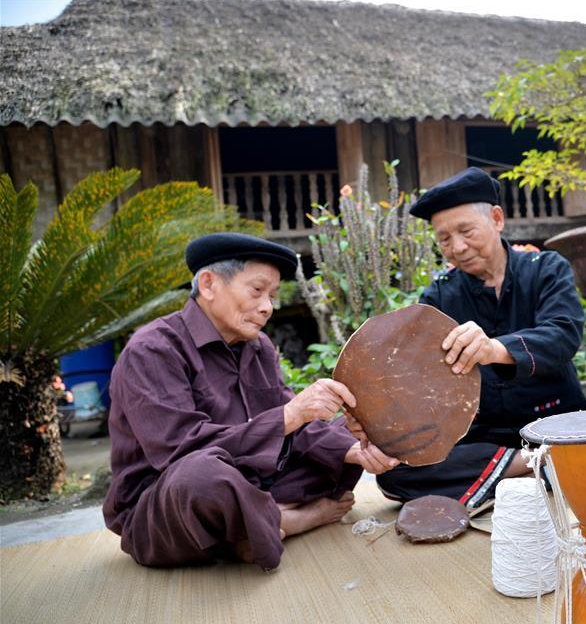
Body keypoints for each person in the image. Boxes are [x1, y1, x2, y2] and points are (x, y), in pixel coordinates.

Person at [373, 168, 586, 508]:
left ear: (497, 219)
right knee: (394, 473)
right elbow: (418, 377)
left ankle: (504, 481)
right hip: (482, 440)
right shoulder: (438, 297)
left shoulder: (546, 269)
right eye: (444, 239)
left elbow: (563, 333)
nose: (457, 247)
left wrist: (494, 348)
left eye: (466, 231)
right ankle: (540, 469)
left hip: (559, 425)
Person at [103, 233, 399, 571]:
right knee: (202, 476)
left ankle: (252, 525)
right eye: (257, 291)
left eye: (272, 296)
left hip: (254, 481)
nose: (267, 307)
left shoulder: (258, 347)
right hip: (167, 503)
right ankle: (287, 519)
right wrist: (290, 415)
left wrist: (354, 450)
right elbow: (179, 451)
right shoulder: (153, 349)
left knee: (346, 432)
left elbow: (295, 429)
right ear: (209, 284)